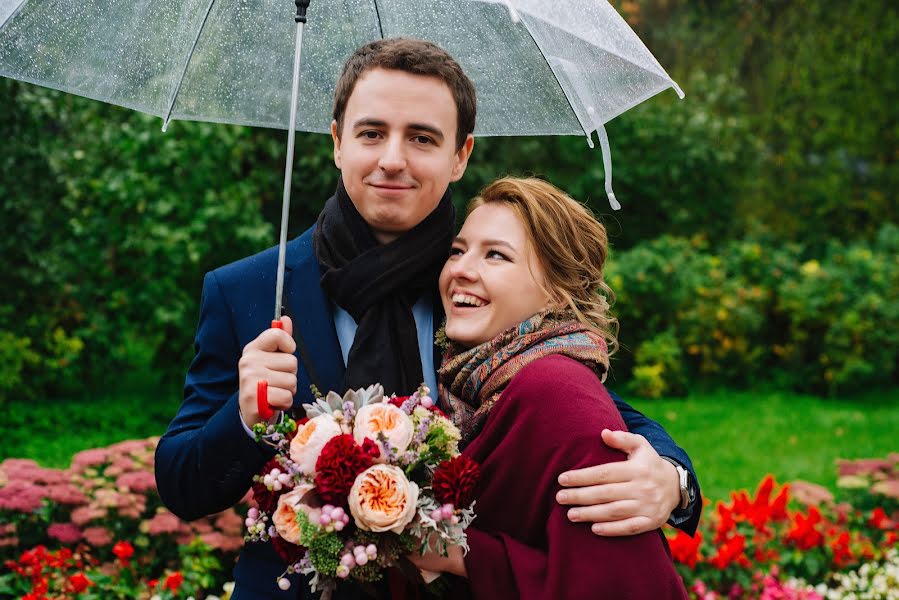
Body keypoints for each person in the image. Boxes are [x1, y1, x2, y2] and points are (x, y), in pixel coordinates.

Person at [154, 38, 699, 599]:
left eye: (421, 137)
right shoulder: (247, 291)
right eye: (371, 133)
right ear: (337, 142)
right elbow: (181, 484)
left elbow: (572, 395)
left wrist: (673, 479)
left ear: (459, 155)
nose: (393, 158)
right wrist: (244, 417)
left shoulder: (474, 279)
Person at [407, 177, 688, 598]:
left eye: (496, 256)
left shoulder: (556, 388)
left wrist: (465, 555)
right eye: (458, 251)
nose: (461, 270)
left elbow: (624, 585)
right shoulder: (460, 376)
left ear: (558, 294)